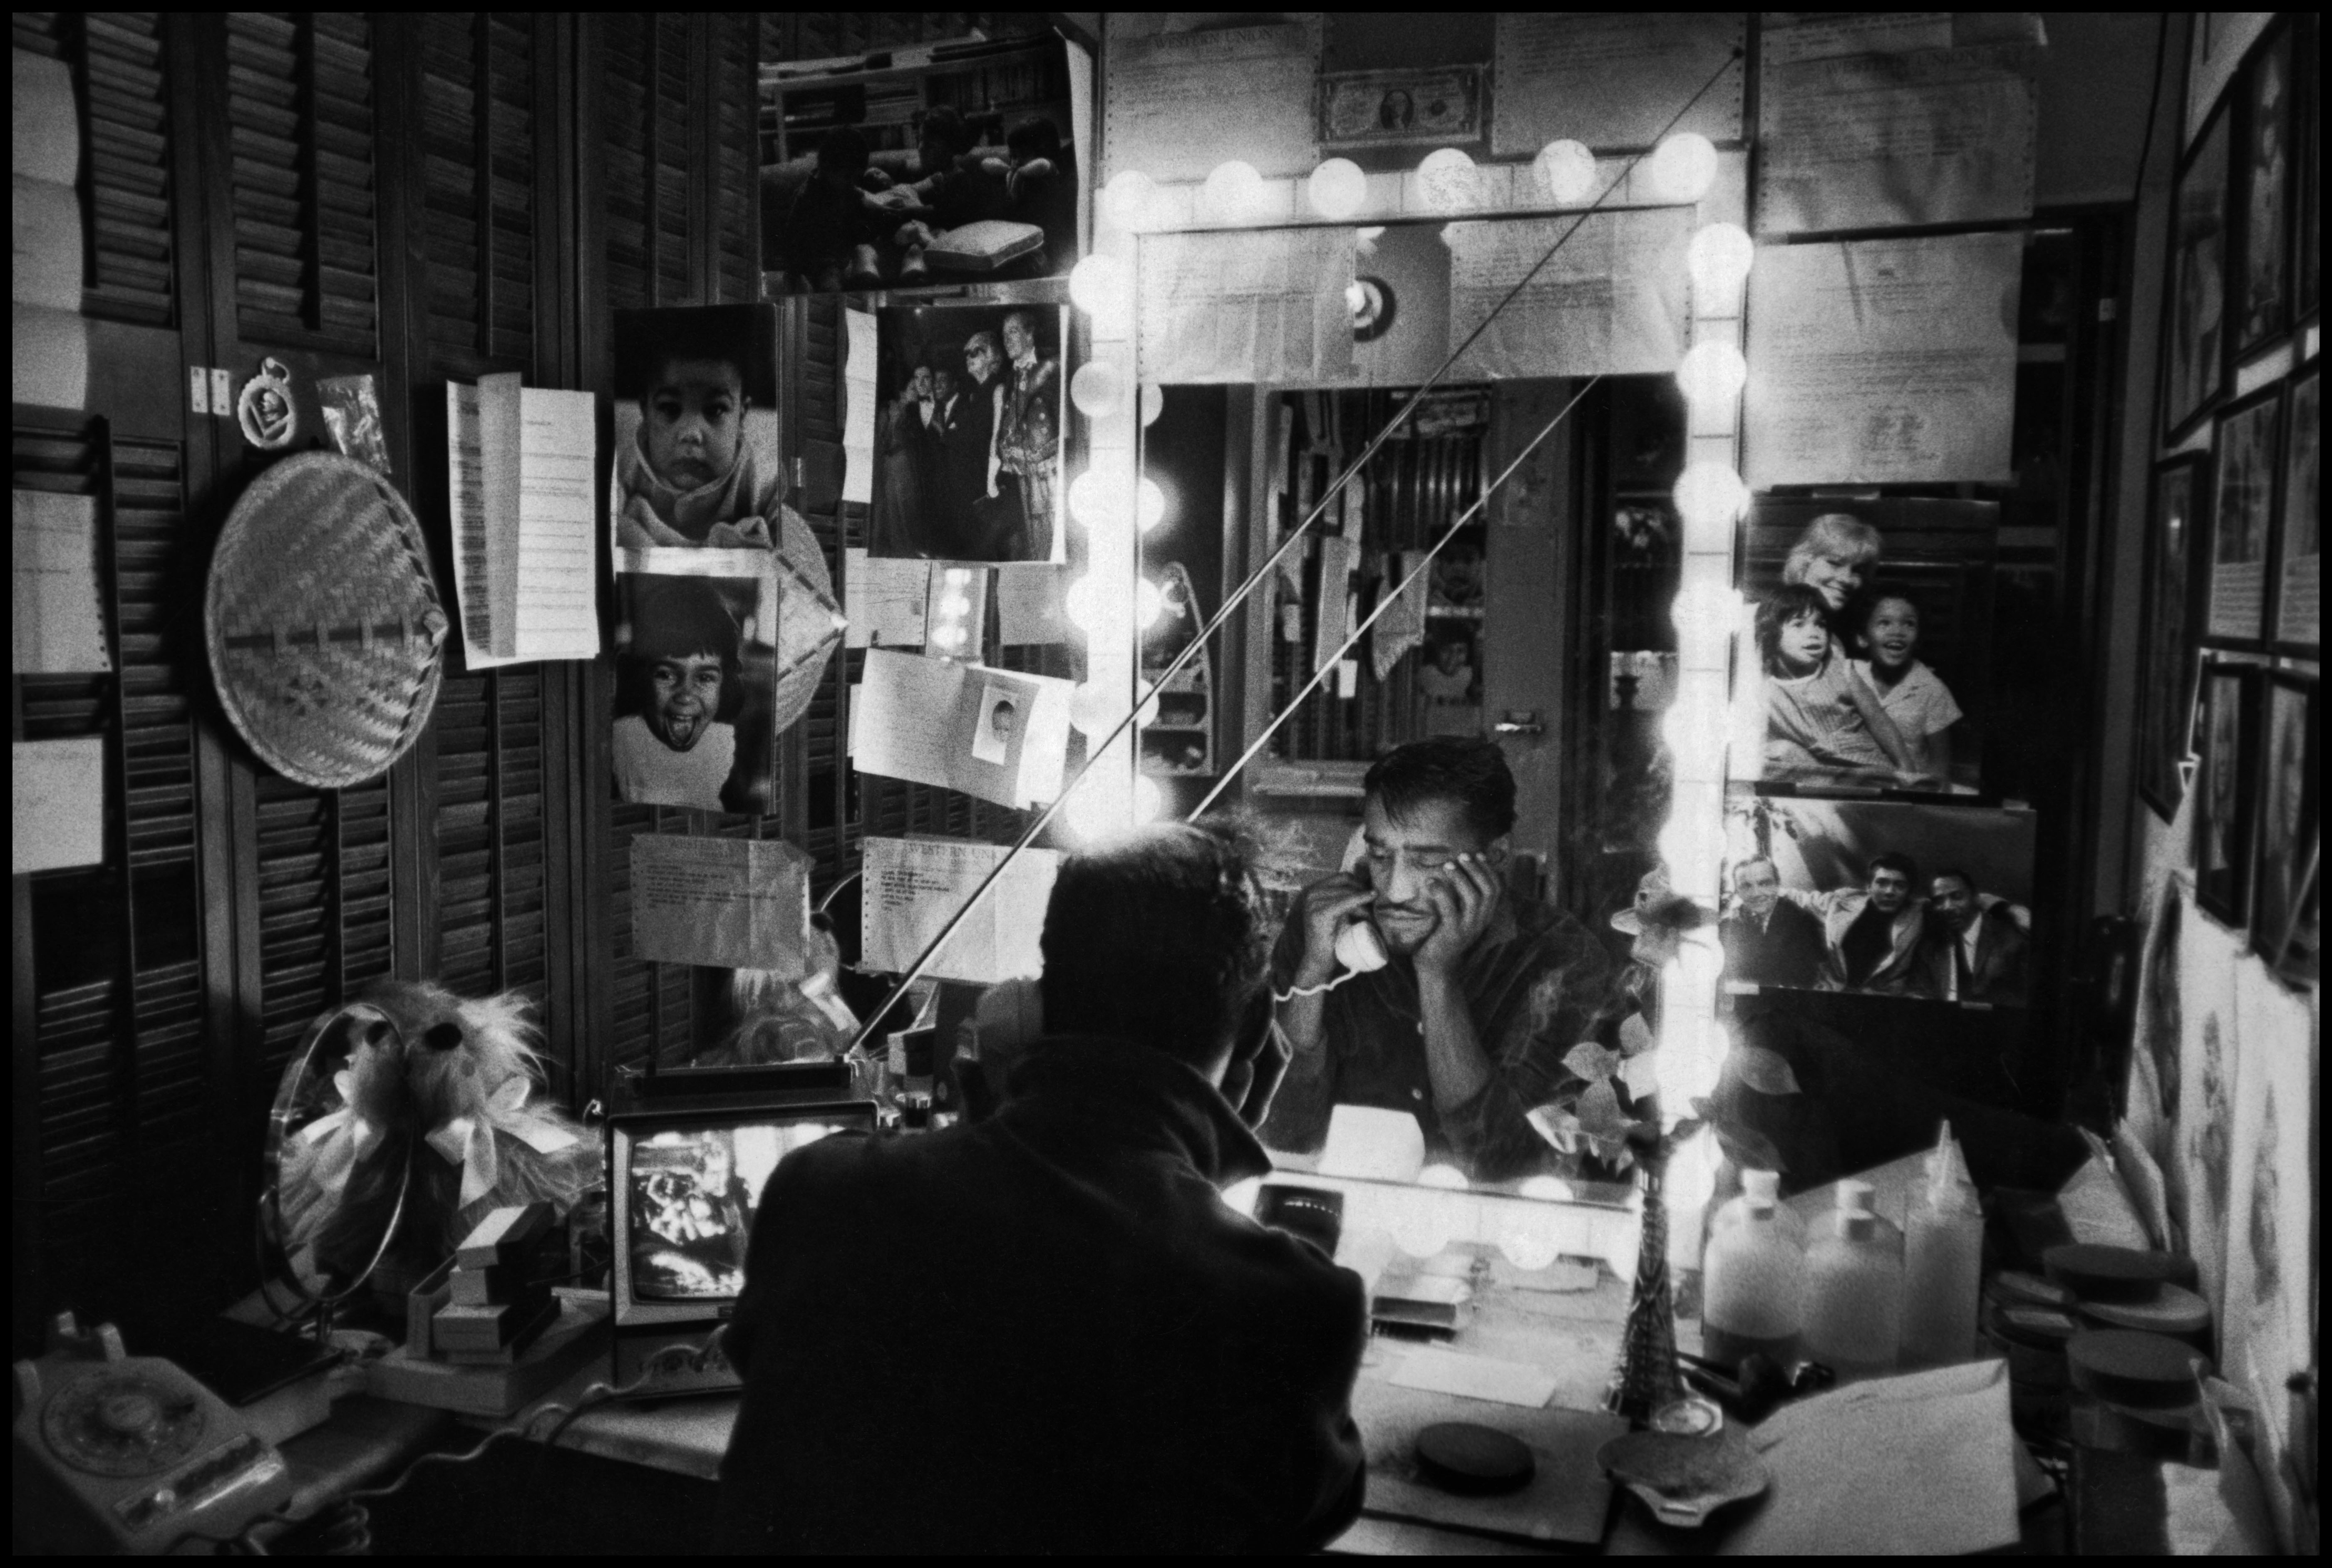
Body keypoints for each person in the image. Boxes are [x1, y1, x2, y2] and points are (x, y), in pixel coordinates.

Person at [717, 822, 1367, 1554]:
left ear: (1032, 1003)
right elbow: (1306, 1511)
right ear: (1255, 1033)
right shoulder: (1294, 1310)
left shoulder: (820, 1194)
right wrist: (1199, 1167)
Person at [1265, 737, 1621, 1182]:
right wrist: (1313, 973)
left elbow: (1512, 1166)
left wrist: (1437, 977)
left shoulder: (1563, 960)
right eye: (1380, 855)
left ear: (1494, 857)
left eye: (1427, 861)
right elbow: (1282, 1135)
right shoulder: (1326, 923)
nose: (1395, 890)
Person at [613, 323, 784, 550]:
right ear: (645, 411)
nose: (691, 434)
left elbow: (796, 545)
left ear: (741, 416)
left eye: (716, 410)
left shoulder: (763, 481)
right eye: (670, 408)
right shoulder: (625, 467)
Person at [1759, 583, 1924, 783]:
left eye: (1821, 624)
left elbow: (1877, 718)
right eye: (1799, 624)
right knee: (1778, 752)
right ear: (1772, 634)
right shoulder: (1764, 685)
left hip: (1861, 762)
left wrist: (1906, 767)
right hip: (1816, 771)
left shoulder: (1840, 670)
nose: (1814, 633)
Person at [611, 579, 740, 811]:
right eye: (666, 675)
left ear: (724, 685)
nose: (686, 696)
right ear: (642, 678)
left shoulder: (722, 743)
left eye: (705, 678)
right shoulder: (620, 741)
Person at [1851, 591, 1966, 783]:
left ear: (1919, 639)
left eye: (1909, 624)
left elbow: (1940, 769)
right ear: (1863, 637)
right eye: (1884, 623)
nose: (1897, 632)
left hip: (1907, 789)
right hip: (1856, 785)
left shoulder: (1933, 690)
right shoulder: (1850, 674)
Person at [1780, 852, 1928, 995]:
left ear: (1909, 892)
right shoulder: (1842, 902)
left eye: (1900, 885)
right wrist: (1772, 890)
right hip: (1832, 991)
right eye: (1882, 883)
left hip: (1883, 1000)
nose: (1890, 891)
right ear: (1869, 887)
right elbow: (1802, 898)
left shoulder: (1920, 915)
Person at [1910, 869, 2031, 1006]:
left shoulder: (2011, 940)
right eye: (1939, 901)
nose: (1948, 907)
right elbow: (1920, 992)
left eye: (1957, 897)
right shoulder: (1929, 947)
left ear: (1975, 897)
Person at [785, 125, 884, 292]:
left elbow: (863, 204)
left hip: (845, 258)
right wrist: (799, 272)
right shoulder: (807, 198)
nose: (852, 183)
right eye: (848, 177)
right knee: (829, 279)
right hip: (818, 264)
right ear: (828, 168)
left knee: (865, 255)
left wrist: (882, 208)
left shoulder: (846, 189)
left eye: (856, 178)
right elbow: (793, 243)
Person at [995, 309, 1059, 561]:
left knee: (1055, 526)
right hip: (1024, 470)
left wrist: (1041, 453)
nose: (1007, 340)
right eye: (1004, 335)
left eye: (1013, 332)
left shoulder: (1051, 366)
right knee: (1035, 536)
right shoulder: (1011, 376)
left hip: (1050, 468)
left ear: (1030, 335)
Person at [1720, 856, 1826, 990]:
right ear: (1738, 892)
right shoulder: (1726, 927)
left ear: (1777, 885)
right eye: (1746, 886)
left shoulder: (1804, 922)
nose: (1756, 894)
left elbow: (1804, 982)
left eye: (1764, 884)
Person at [870, 366, 933, 557]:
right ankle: (901, 550)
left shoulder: (916, 410)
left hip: (911, 464)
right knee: (896, 509)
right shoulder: (891, 409)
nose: (916, 392)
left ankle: (912, 550)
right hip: (896, 464)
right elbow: (884, 440)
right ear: (903, 391)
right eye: (912, 388)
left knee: (911, 509)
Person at [1779, 513, 1883, 622]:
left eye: (1858, 570)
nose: (1846, 579)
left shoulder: (1856, 629)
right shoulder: (1770, 619)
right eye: (1835, 563)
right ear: (1805, 562)